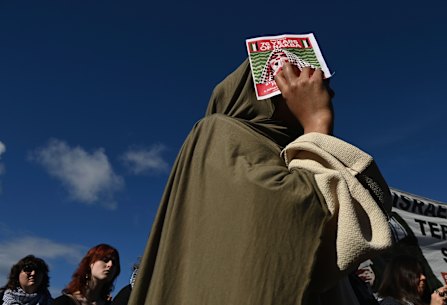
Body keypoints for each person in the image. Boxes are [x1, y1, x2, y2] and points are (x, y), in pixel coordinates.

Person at [128, 58, 395, 305]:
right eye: (296, 75)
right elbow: (291, 226)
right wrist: (317, 125)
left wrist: (316, 141)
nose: (323, 90)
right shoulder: (219, 132)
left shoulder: (295, 152)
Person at [53, 244, 120, 305]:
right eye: (105, 259)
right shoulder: (63, 302)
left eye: (114, 263)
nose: (110, 265)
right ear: (90, 263)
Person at [377, 254, 446, 305]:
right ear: (401, 277)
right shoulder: (390, 303)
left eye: (422, 273)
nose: (423, 277)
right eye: (416, 274)